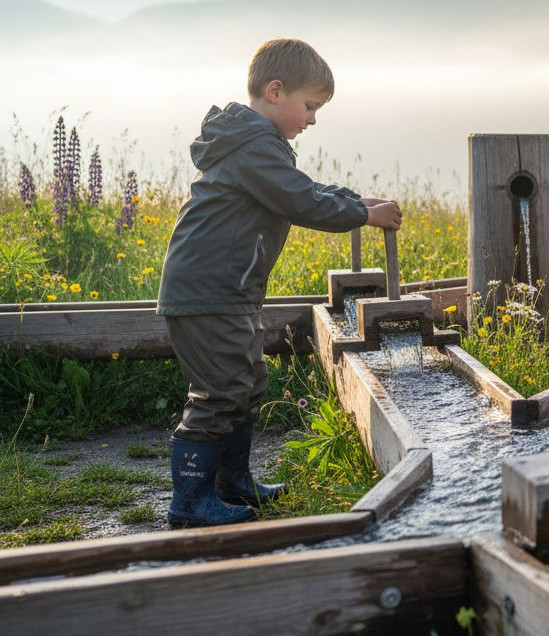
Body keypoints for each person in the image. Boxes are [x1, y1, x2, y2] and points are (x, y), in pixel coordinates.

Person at [157, 38, 402, 528]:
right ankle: (189, 503)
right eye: (309, 106)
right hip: (208, 293)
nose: (312, 119)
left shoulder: (255, 145)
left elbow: (303, 190)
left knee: (246, 385)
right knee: (220, 392)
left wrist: (358, 201)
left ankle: (232, 484)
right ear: (275, 91)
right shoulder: (255, 148)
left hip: (229, 291)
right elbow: (302, 203)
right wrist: (363, 215)